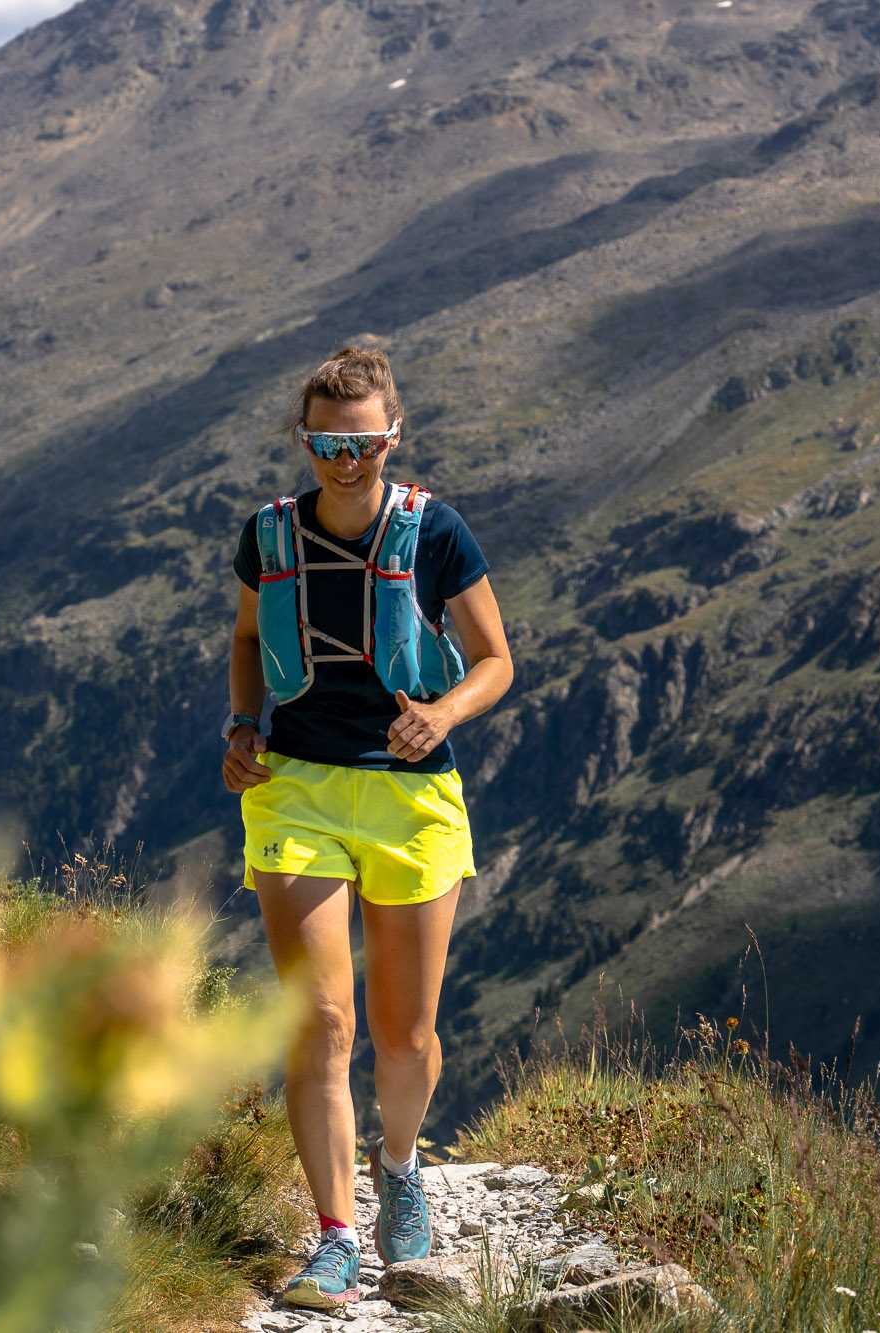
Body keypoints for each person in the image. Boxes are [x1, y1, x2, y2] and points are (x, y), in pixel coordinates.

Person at [223, 345, 513, 1310]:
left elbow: (494, 658)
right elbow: (243, 641)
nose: (345, 461)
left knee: (405, 1029)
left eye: (363, 443)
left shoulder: (437, 534)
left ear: (394, 436)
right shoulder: (267, 538)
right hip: (295, 786)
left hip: (411, 793)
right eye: (327, 445)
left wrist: (446, 712)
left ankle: (398, 1164)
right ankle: (336, 1235)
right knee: (322, 1020)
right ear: (306, 442)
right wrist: (239, 725)